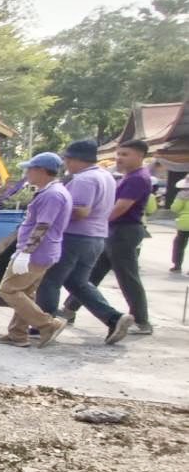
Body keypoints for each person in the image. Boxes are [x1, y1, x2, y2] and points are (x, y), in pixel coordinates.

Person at [38, 140, 133, 344]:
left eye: (68, 160)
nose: (66, 164)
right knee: (77, 282)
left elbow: (81, 211)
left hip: (75, 237)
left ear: (75, 159)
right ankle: (113, 318)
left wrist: (53, 211)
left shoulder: (84, 179)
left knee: (50, 280)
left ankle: (45, 324)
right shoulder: (106, 176)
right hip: (96, 237)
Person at [63, 139, 153, 336]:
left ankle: (141, 320)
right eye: (118, 154)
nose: (119, 158)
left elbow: (121, 207)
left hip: (124, 231)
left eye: (125, 154)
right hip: (114, 231)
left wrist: (99, 224)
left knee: (127, 276)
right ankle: (69, 309)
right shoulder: (126, 177)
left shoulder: (137, 178)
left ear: (140, 156)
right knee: (91, 274)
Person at [0, 153, 72, 348]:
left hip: (37, 252)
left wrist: (26, 252)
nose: (27, 173)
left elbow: (42, 226)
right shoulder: (52, 191)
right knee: (25, 292)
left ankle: (48, 324)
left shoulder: (52, 195)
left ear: (41, 171)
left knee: (8, 290)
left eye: (30, 169)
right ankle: (17, 334)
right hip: (43, 251)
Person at [171, 174, 189, 273]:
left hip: (184, 224)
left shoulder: (182, 194)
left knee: (179, 244)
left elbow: (175, 208)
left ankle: (177, 265)